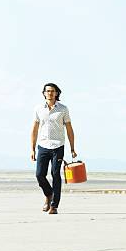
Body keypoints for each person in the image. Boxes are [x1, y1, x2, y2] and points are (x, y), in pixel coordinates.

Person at [31, 83, 77, 214]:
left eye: (52, 91)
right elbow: (34, 129)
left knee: (55, 174)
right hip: (43, 146)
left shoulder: (63, 109)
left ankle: (54, 205)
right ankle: (48, 194)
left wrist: (72, 148)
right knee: (39, 174)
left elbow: (69, 129)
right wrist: (32, 149)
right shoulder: (38, 109)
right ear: (44, 93)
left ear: (57, 93)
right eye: (48, 91)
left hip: (58, 146)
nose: (50, 93)